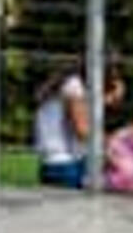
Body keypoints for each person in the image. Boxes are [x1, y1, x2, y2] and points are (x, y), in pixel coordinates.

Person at [33, 55, 124, 188]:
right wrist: (118, 141)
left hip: (53, 163)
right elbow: (82, 130)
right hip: (65, 165)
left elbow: (82, 107)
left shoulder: (68, 84)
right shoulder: (74, 85)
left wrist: (108, 100)